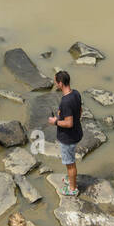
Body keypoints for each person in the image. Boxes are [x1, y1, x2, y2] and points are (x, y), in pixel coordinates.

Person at [48, 68, 82, 197]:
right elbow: (80, 111)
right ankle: (70, 179)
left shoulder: (65, 101)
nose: (56, 85)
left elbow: (69, 123)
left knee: (70, 164)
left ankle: (73, 189)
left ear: (61, 83)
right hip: (77, 133)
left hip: (68, 138)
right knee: (70, 162)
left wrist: (55, 121)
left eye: (56, 82)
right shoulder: (76, 93)